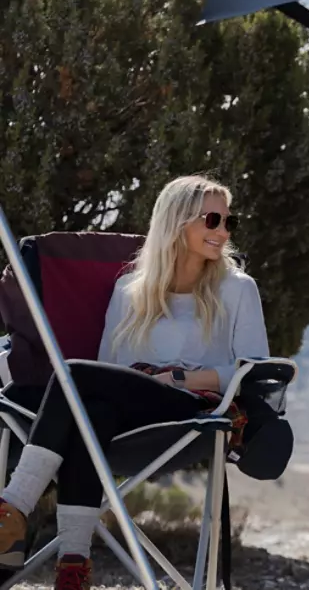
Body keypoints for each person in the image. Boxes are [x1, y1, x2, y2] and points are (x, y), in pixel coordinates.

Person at [0, 175, 270, 589]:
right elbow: (109, 365)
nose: (222, 232)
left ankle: (12, 508)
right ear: (177, 221)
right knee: (90, 408)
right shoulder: (129, 289)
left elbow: (256, 369)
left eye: (228, 222)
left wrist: (181, 377)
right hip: (130, 405)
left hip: (192, 409)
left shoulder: (237, 289)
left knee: (73, 373)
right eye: (212, 220)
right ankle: (74, 567)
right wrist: (143, 379)